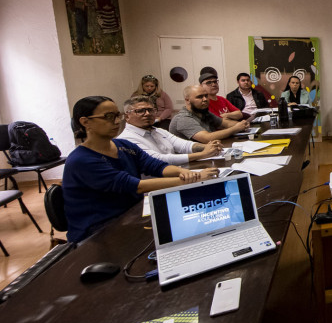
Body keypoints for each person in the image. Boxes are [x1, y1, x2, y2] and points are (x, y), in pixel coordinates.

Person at [63, 96, 219, 243]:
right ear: (85, 122)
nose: (116, 121)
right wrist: (192, 179)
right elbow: (134, 185)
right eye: (109, 117)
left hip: (131, 214)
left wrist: (182, 172)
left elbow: (156, 166)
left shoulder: (123, 146)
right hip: (99, 230)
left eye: (117, 116)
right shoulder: (81, 160)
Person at [118, 96, 223, 164]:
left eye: (150, 110)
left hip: (177, 174)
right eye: (140, 111)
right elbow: (158, 159)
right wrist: (202, 154)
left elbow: (183, 145)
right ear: (127, 116)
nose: (147, 114)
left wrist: (208, 147)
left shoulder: (158, 131)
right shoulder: (126, 139)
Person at [170, 85, 250, 143]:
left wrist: (242, 124)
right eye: (200, 97)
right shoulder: (183, 118)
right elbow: (207, 138)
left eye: (206, 96)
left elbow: (225, 123)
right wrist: (236, 128)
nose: (205, 99)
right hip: (191, 158)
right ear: (187, 100)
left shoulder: (204, 112)